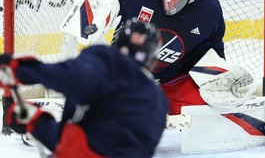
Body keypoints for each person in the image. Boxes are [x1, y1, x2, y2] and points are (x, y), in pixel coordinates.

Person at [0, 18, 168, 158]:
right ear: (152, 58)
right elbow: (112, 146)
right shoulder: (159, 100)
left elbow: (73, 78)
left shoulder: (109, 61)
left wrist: (21, 71)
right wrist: (38, 124)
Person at [100, 0, 226, 115]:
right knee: (114, 114)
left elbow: (214, 47)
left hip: (175, 79)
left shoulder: (208, 8)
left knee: (202, 113)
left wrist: (217, 79)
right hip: (128, 73)